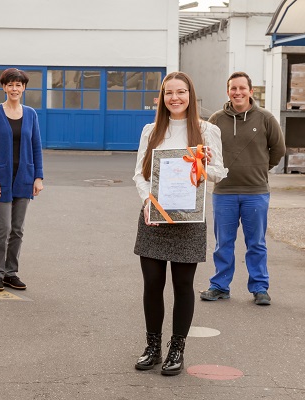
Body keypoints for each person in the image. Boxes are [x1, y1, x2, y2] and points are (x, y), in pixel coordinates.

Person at [132, 72, 227, 376]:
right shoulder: (151, 130)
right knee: (152, 284)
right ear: (161, 98)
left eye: (181, 92)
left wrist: (207, 163)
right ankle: (153, 346)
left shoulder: (206, 130)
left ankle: (177, 349)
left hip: (189, 218)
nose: (175, 98)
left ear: (190, 94)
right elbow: (140, 174)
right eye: (169, 93)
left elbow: (218, 173)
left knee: (183, 285)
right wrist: (148, 202)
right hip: (154, 218)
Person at [200, 72, 286, 306]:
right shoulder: (216, 120)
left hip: (256, 192)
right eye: (233, 88)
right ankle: (219, 286)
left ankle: (259, 288)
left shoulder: (265, 118)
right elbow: (205, 150)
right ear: (227, 91)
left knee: (256, 243)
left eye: (242, 88)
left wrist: (259, 168)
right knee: (223, 243)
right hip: (224, 192)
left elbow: (278, 150)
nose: (237, 92)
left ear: (250, 91)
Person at [0, 68, 44, 292]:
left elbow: (36, 146)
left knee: (17, 229)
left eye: (18, 85)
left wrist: (38, 176)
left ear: (24, 88)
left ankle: (11, 272)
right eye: (10, 85)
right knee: (3, 228)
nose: (14, 88)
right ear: (4, 87)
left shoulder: (31, 114)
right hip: (1, 178)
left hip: (24, 178)